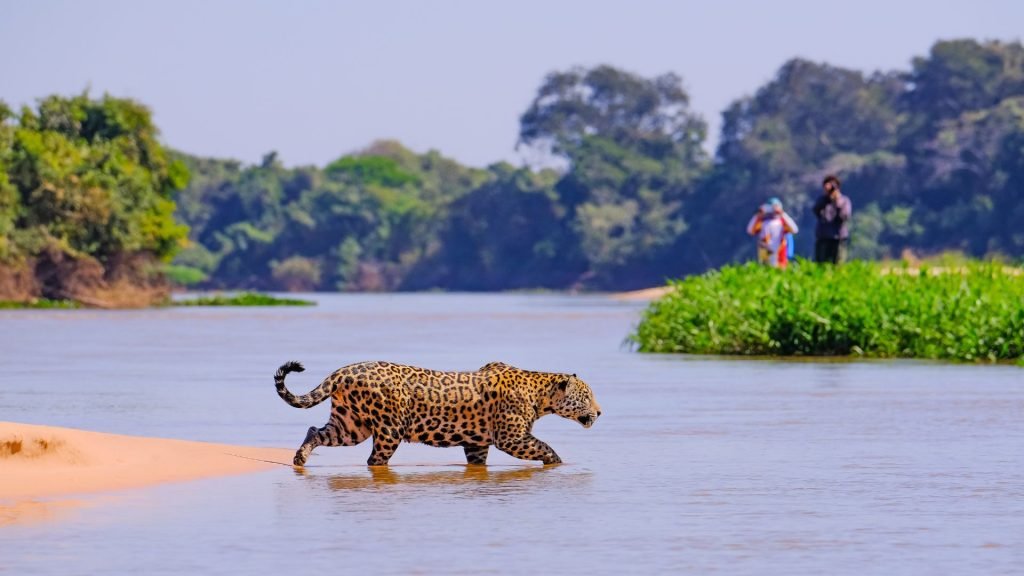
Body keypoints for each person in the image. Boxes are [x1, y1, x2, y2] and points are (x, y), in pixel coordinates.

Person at [746, 197, 798, 269]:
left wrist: (782, 213)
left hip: (780, 255)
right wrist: (758, 215)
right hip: (765, 255)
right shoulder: (762, 222)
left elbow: (794, 230)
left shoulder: (782, 222)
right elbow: (750, 230)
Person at [813, 175, 852, 264]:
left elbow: (844, 216)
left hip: (838, 237)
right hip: (823, 237)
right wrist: (826, 198)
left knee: (838, 263)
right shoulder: (822, 200)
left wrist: (836, 201)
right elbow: (816, 211)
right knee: (820, 264)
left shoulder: (844, 200)